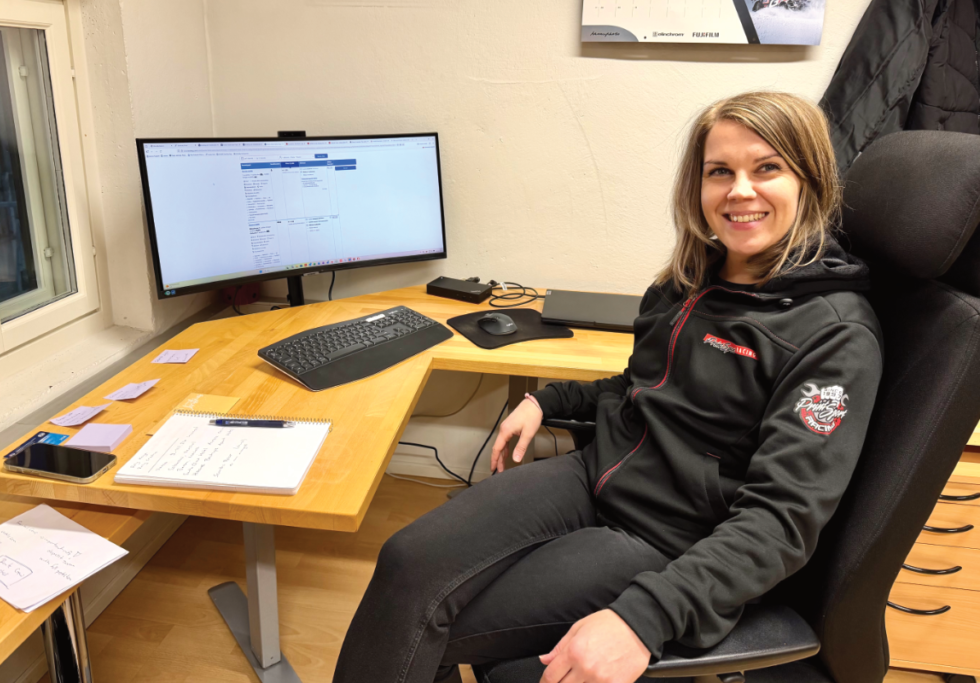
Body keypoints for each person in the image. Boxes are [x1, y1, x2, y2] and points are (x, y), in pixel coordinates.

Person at [332, 91, 883, 683]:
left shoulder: (834, 335)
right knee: (405, 562)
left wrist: (645, 617)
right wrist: (545, 400)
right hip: (594, 475)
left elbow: (780, 521)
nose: (739, 191)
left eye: (767, 168)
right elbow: (639, 385)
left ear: (809, 181)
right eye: (719, 171)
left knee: (424, 622)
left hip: (669, 537)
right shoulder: (689, 281)